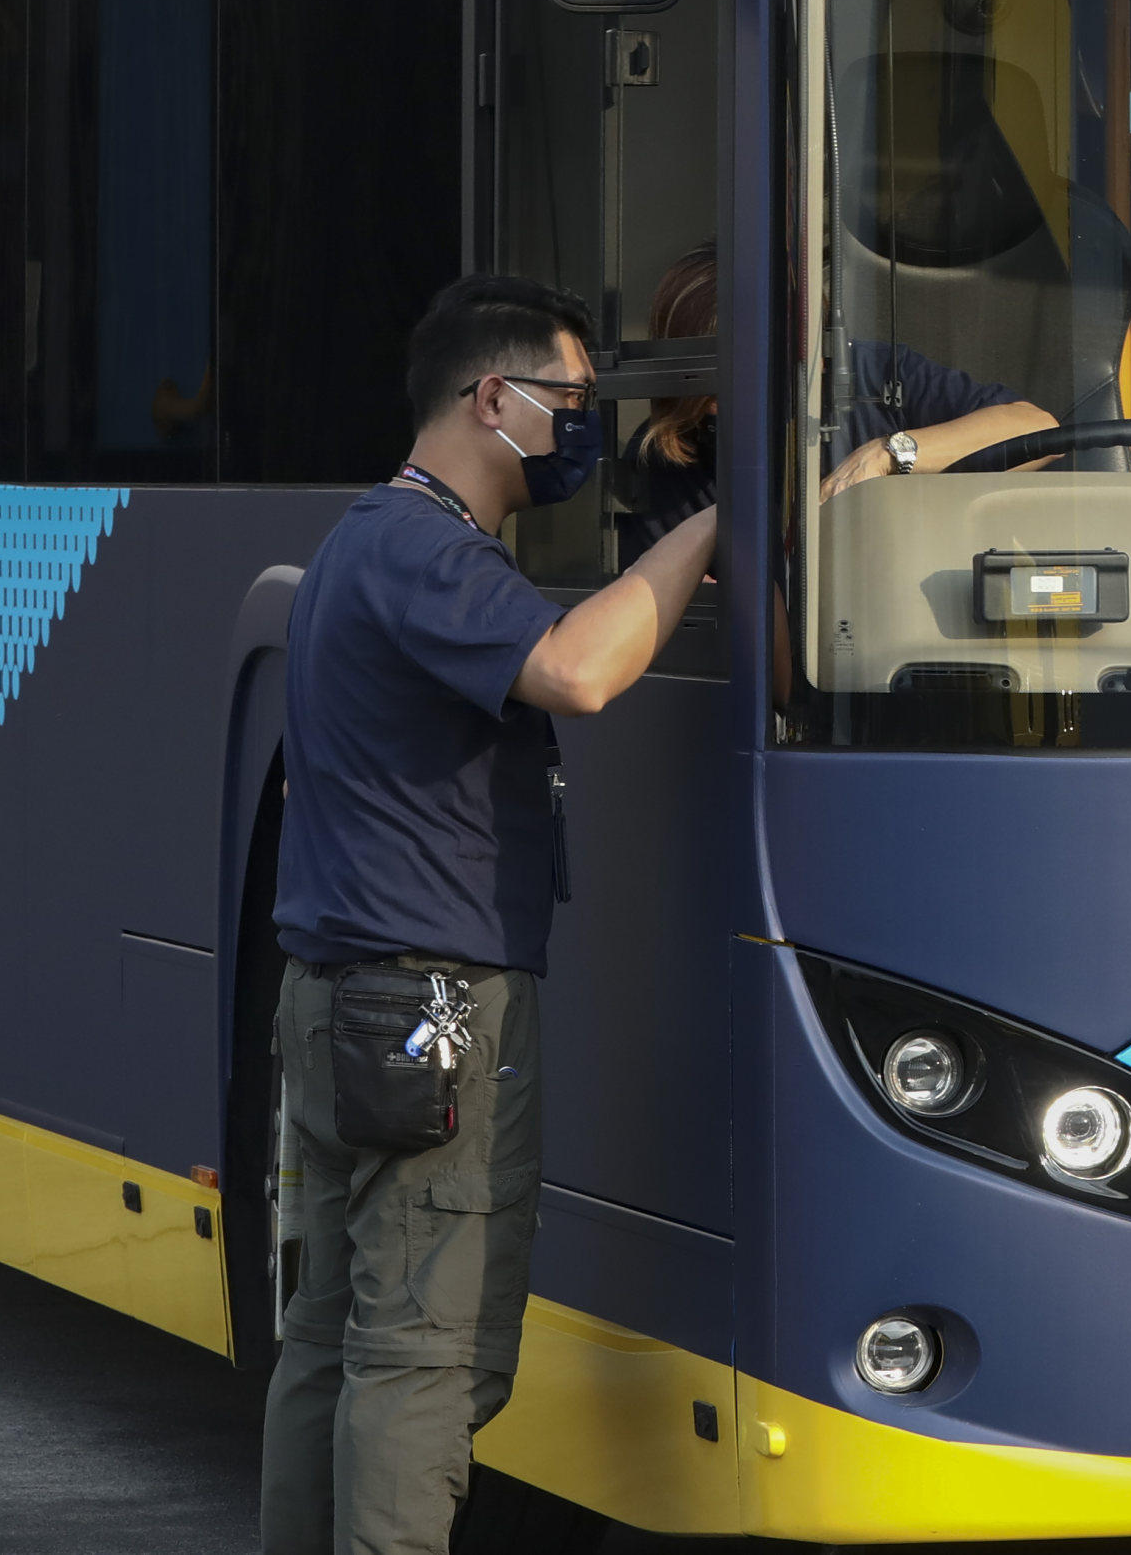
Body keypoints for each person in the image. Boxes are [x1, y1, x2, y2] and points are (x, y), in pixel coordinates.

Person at [262, 275, 721, 1555]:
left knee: (331, 1341)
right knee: (425, 1356)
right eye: (569, 400)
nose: (583, 428)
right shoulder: (422, 549)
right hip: (432, 1011)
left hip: (346, 998)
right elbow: (577, 670)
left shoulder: (360, 540)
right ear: (492, 398)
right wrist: (711, 531)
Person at [611, 245, 1063, 560]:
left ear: (815, 350)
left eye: (753, 367)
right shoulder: (665, 458)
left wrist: (889, 454)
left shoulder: (877, 376)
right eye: (708, 383)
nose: (722, 403)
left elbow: (1038, 433)